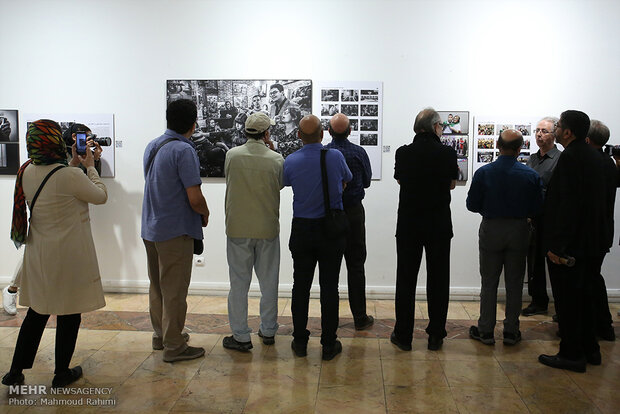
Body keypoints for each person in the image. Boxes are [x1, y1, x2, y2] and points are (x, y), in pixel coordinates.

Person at [2, 119, 107, 388]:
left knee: (37, 313)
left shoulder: (26, 170)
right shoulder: (70, 175)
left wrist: (74, 164)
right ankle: (61, 373)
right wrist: (91, 167)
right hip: (68, 254)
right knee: (69, 313)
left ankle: (15, 371)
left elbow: (56, 183)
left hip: (39, 252)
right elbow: (99, 196)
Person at [538, 110, 608, 373]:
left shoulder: (571, 157)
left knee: (568, 302)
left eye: (557, 126)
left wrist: (557, 247)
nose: (554, 129)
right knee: (586, 298)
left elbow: (567, 207)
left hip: (572, 247)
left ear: (567, 132)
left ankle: (571, 355)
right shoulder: (596, 157)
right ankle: (591, 350)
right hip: (593, 242)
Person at [141, 99, 210, 363]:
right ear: (194, 123)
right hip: (174, 230)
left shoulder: (153, 145)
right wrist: (205, 212)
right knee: (175, 290)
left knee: (157, 286)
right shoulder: (184, 150)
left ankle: (161, 336)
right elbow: (194, 197)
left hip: (151, 227)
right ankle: (174, 345)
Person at [283, 114, 352, 361]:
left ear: (299, 136)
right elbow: (347, 180)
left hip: (302, 229)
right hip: (330, 230)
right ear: (323, 134)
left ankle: (300, 341)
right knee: (329, 288)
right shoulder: (335, 156)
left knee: (300, 287)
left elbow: (286, 182)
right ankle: (328, 344)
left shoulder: (290, 160)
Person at [466, 129, 543, 346]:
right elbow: (537, 207)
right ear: (520, 148)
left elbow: (472, 205)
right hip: (519, 229)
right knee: (515, 282)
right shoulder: (530, 175)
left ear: (498, 146)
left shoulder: (484, 173)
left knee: (488, 282)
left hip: (491, 228)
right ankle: (510, 331)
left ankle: (486, 330)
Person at [391, 108, 458, 352]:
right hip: (439, 224)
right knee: (439, 280)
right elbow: (451, 184)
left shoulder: (404, 153)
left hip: (409, 224)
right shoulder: (447, 153)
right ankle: (436, 335)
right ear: (436, 127)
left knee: (406, 280)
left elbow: (400, 180)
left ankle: (404, 335)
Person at [222, 112, 284, 351]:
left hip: (237, 227)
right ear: (267, 133)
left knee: (238, 283)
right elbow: (279, 184)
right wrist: (271, 149)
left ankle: (240, 335)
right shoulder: (276, 159)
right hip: (266, 227)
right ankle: (268, 330)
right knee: (269, 282)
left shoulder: (232, 155)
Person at [325, 113, 374, 330]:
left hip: (331, 214)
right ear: (350, 131)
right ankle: (360, 318)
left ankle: (331, 321)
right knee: (356, 266)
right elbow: (367, 181)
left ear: (329, 132)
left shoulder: (325, 153)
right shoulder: (359, 152)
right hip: (354, 213)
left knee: (330, 268)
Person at [522, 117, 561, 317]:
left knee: (555, 264)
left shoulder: (560, 159)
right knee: (534, 261)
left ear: (555, 134)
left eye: (544, 131)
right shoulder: (532, 159)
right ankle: (538, 301)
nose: (539, 134)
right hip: (533, 218)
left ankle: (562, 307)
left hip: (552, 219)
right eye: (537, 130)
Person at [585, 120, 616, 341]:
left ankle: (602, 326)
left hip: (593, 232)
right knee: (593, 278)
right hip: (602, 231)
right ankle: (602, 325)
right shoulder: (608, 162)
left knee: (591, 280)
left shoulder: (597, 163)